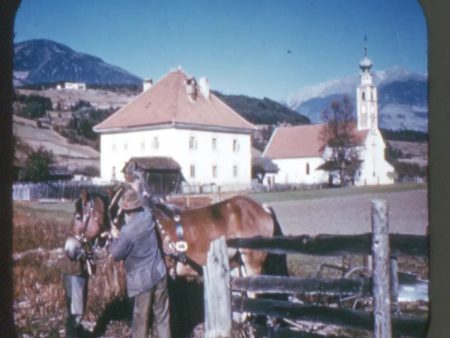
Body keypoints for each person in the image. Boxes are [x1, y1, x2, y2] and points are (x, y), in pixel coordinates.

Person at [110, 188, 171, 338]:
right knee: (163, 318)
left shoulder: (127, 231)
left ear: (124, 210)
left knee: (140, 322)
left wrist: (114, 237)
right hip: (160, 272)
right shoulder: (148, 216)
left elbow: (116, 255)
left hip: (142, 281)